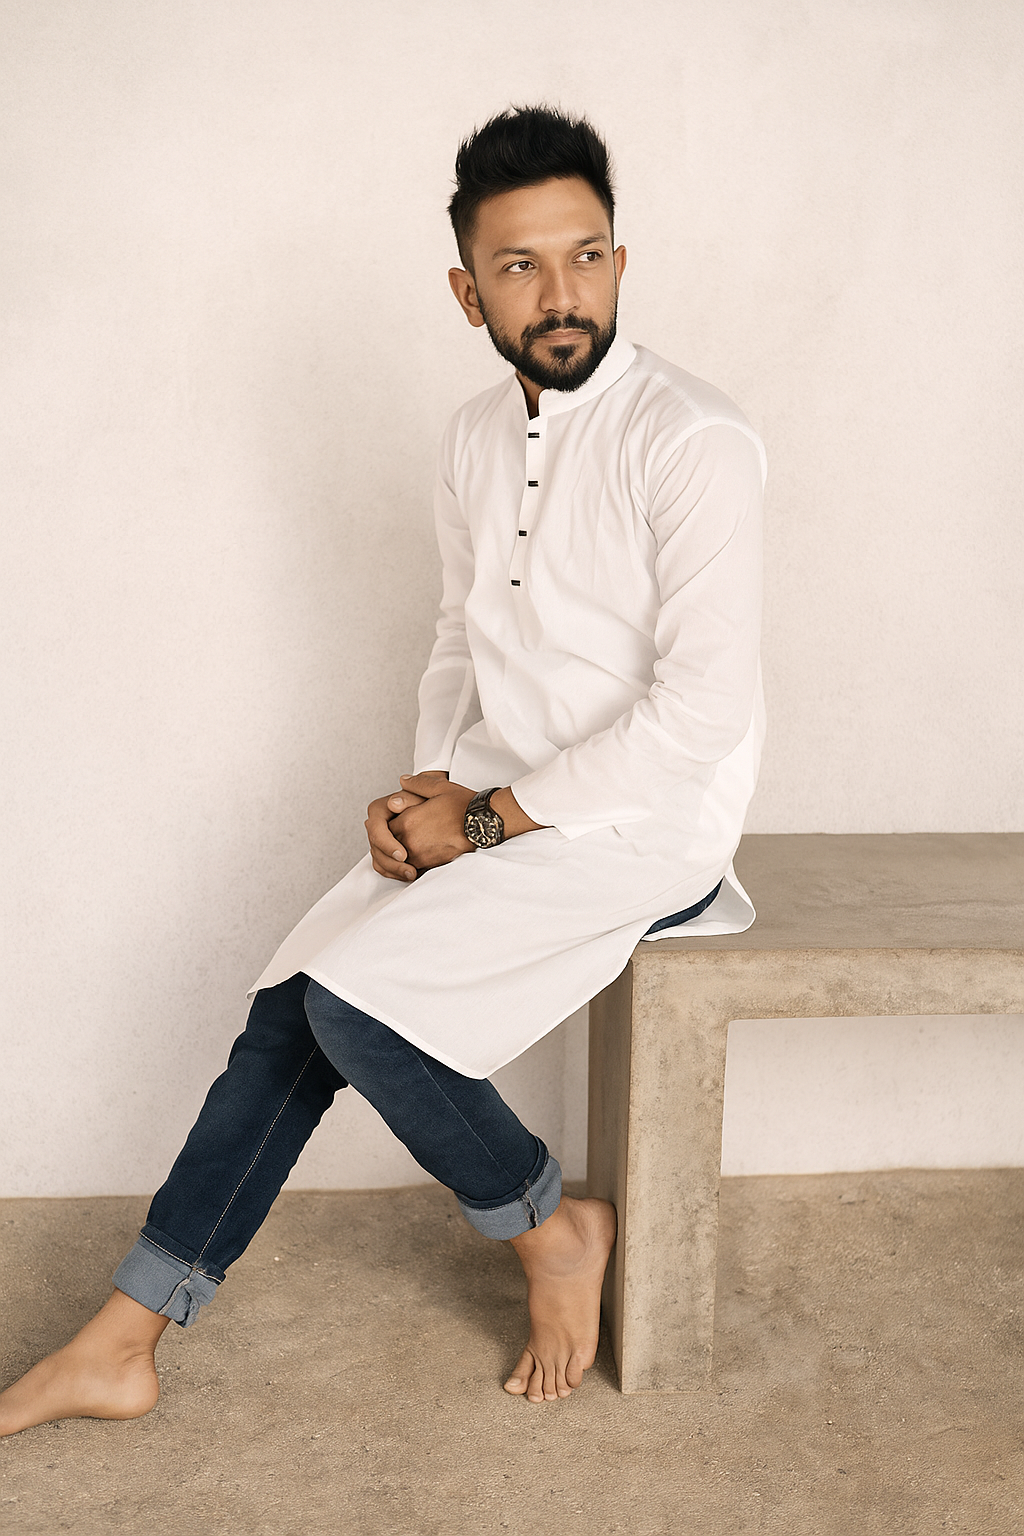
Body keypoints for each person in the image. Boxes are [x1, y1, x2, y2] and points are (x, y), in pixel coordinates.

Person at [0, 105, 766, 1434]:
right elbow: (460, 637)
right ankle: (125, 1338)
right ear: (469, 291)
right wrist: (428, 796)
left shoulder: (692, 439)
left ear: (621, 263)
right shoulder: (473, 438)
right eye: (521, 266)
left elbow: (699, 716)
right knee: (293, 1004)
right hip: (496, 804)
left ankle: (551, 1232)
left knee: (362, 1008)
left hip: (648, 825)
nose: (562, 292)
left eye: (586, 256)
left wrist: (488, 819)